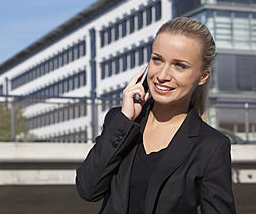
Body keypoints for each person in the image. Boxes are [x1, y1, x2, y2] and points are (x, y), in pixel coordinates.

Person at [76, 17, 236, 214]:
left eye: (180, 65)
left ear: (203, 76)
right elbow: (87, 189)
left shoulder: (211, 146)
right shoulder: (120, 121)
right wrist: (126, 120)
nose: (162, 75)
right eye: (157, 60)